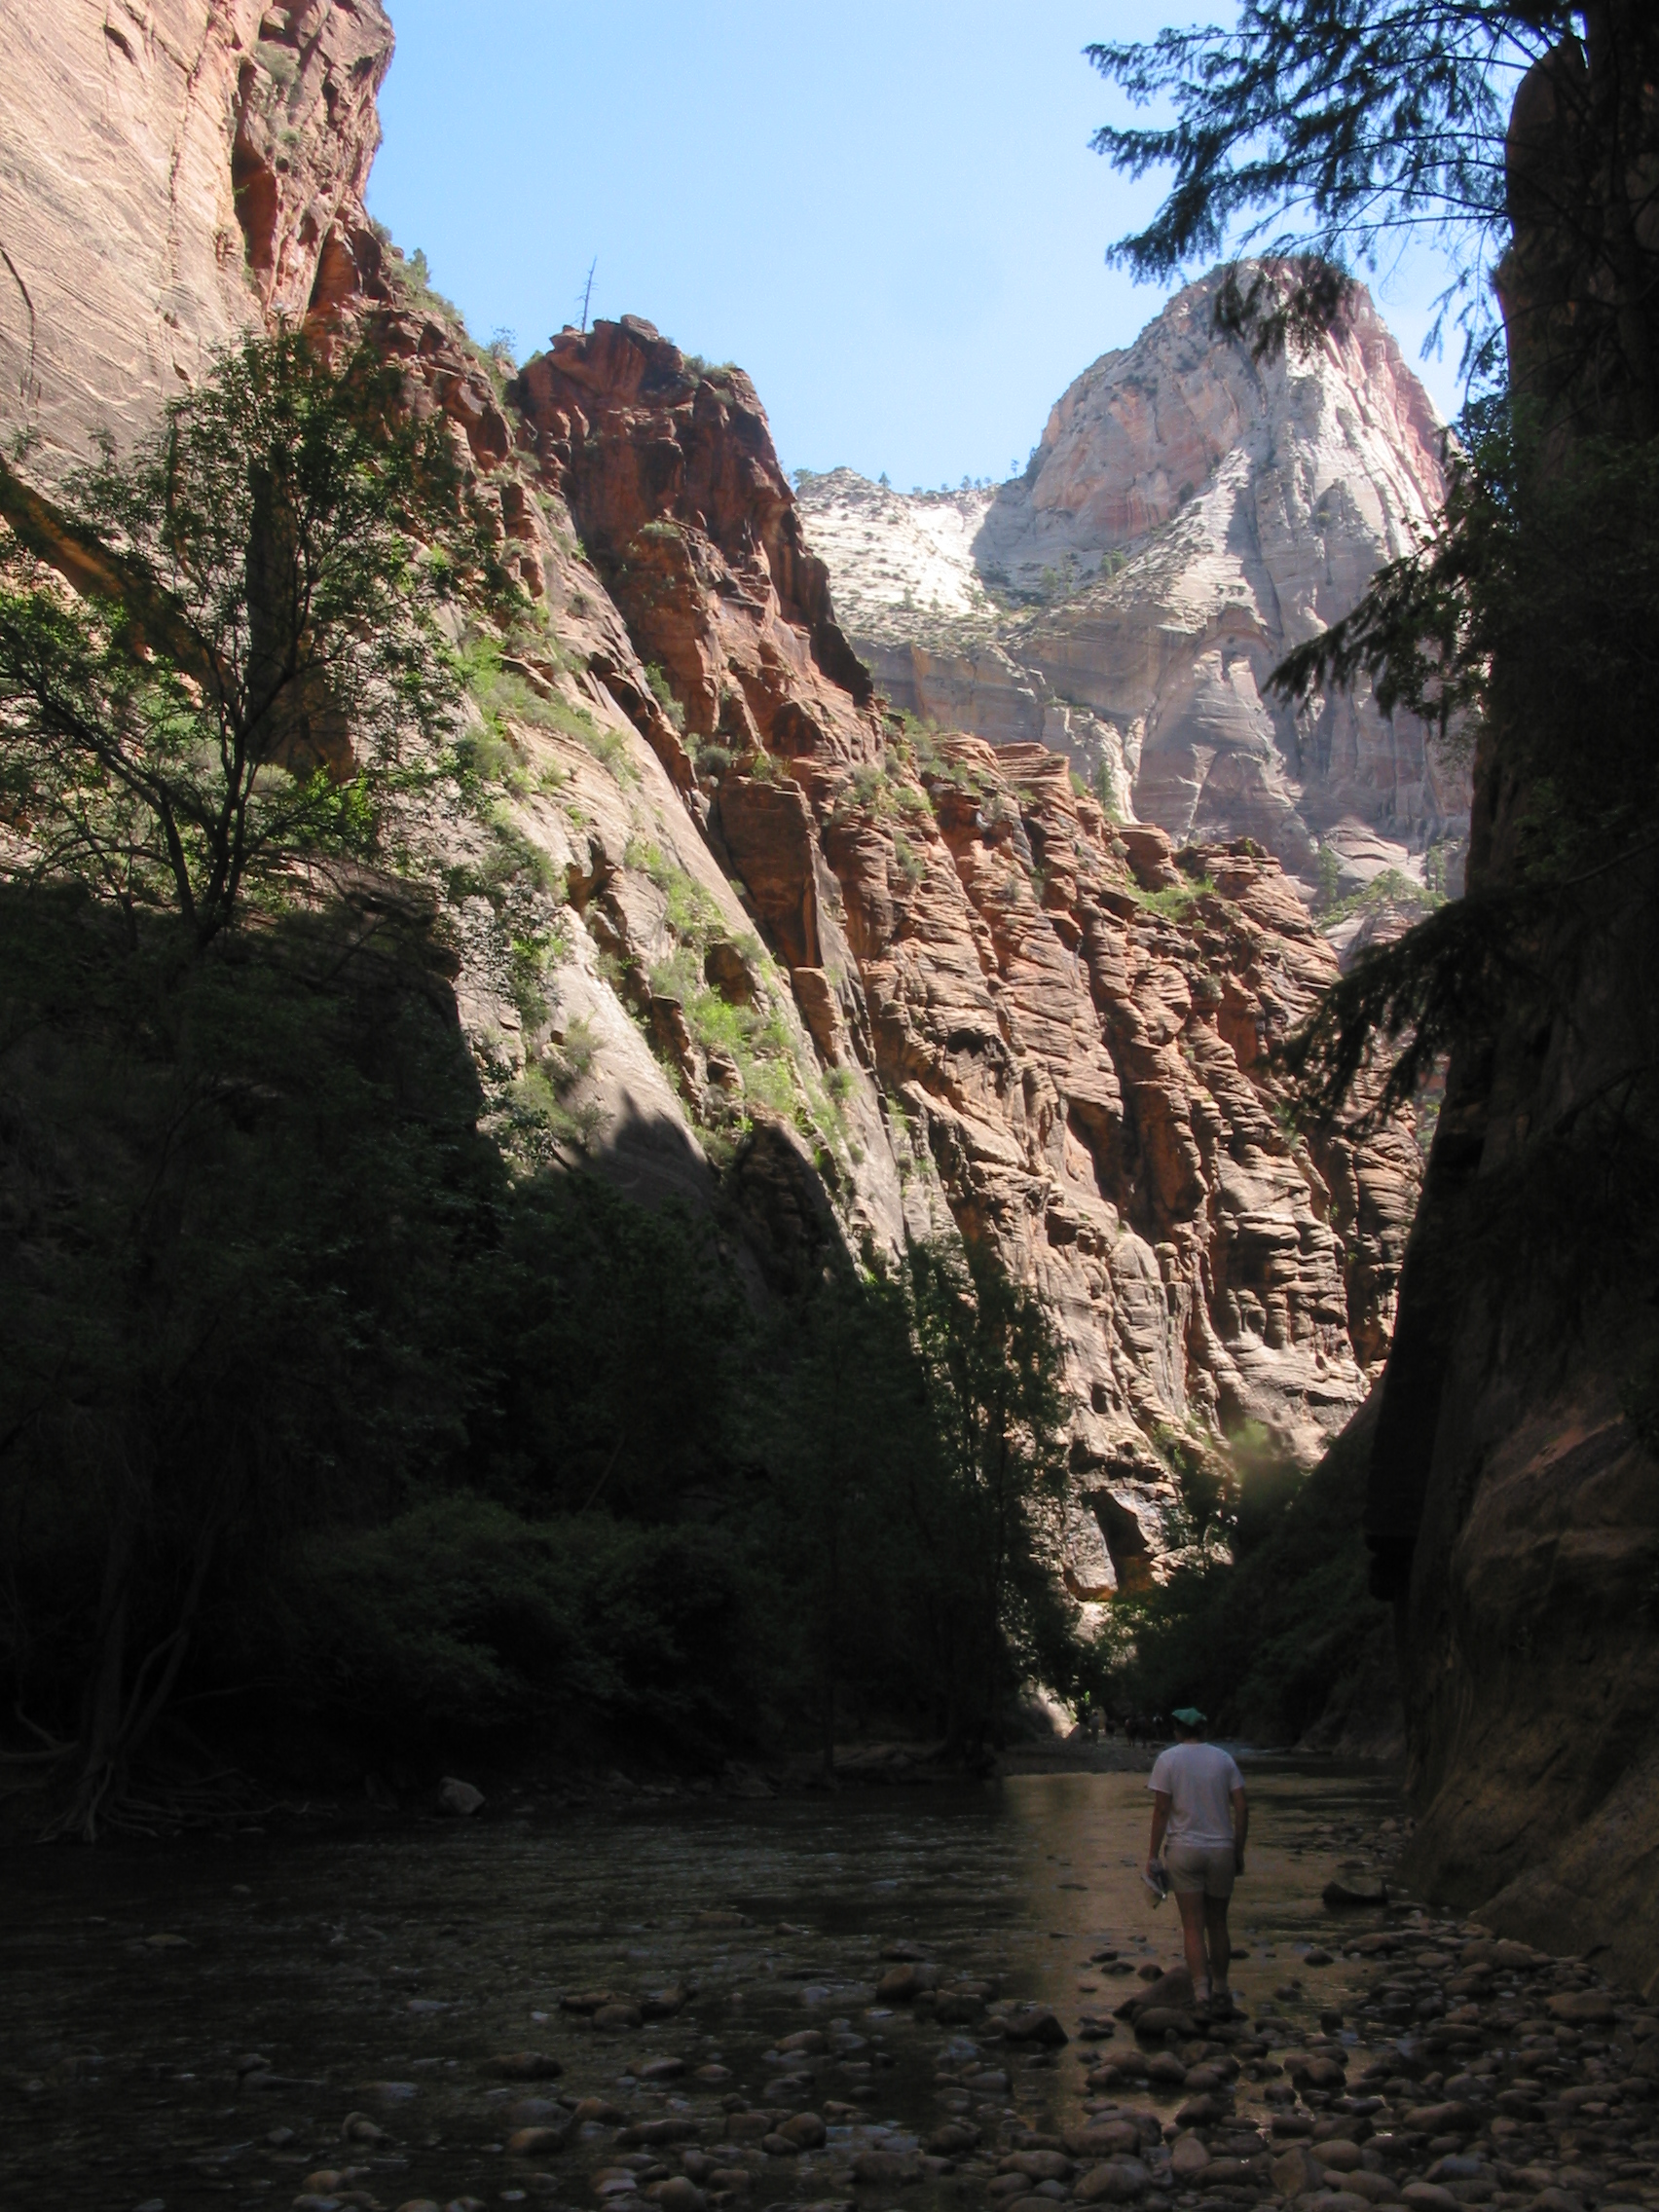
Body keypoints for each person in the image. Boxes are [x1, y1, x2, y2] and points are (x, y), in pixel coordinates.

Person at [1145, 1706, 1247, 2016]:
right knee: (1218, 1922)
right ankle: (1221, 1991)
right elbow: (1242, 1808)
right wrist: (1238, 1850)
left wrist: (1152, 1855)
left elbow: (1162, 1811)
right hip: (1221, 1850)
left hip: (1184, 1850)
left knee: (1192, 1926)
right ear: (1203, 1730)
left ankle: (1201, 1995)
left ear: (1176, 1731)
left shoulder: (1167, 1760)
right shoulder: (1224, 1759)